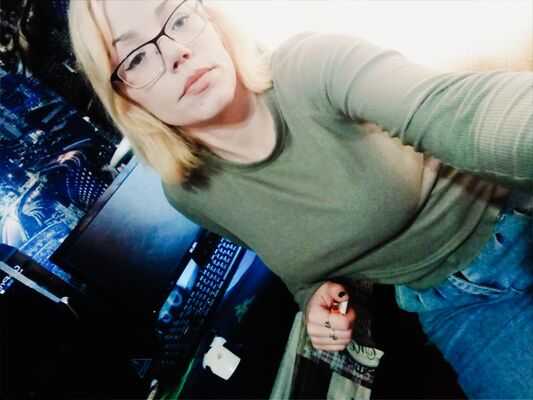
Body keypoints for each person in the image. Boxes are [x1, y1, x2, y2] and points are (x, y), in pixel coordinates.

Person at [68, 1, 533, 398]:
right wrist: (314, 300)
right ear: (126, 98)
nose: (174, 52)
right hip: (459, 305)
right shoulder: (188, 194)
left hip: (514, 215)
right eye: (136, 58)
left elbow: (461, 114)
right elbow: (300, 266)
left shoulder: (310, 66)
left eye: (179, 18)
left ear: (209, 19)